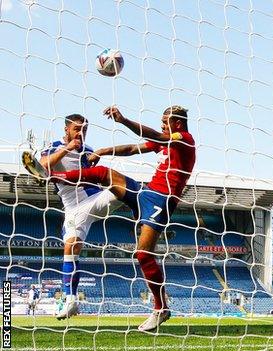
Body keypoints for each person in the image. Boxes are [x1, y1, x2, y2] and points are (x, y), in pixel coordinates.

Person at [22, 105, 196, 332]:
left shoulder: (183, 138)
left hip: (162, 199)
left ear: (178, 123)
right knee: (103, 173)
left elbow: (154, 135)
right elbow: (133, 148)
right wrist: (103, 151)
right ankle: (53, 177)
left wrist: (123, 120)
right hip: (144, 193)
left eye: (165, 121)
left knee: (143, 254)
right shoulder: (165, 140)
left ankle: (160, 308)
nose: (162, 125)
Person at [36, 114, 122, 320]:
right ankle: (70, 301)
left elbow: (90, 173)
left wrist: (93, 159)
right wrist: (68, 148)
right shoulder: (54, 146)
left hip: (94, 200)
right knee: (71, 248)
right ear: (67, 129)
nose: (81, 133)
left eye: (84, 129)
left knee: (125, 188)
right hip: (73, 209)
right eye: (77, 129)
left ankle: (148, 214)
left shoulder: (88, 150)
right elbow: (42, 165)